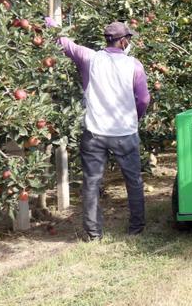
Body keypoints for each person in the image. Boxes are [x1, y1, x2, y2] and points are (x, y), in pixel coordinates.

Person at [48, 19, 151, 240]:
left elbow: (64, 43)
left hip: (95, 133)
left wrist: (48, 23)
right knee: (133, 181)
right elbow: (143, 99)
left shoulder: (89, 58)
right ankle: (136, 227)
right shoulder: (134, 65)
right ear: (123, 41)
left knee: (92, 183)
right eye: (128, 39)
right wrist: (136, 117)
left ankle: (94, 233)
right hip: (124, 132)